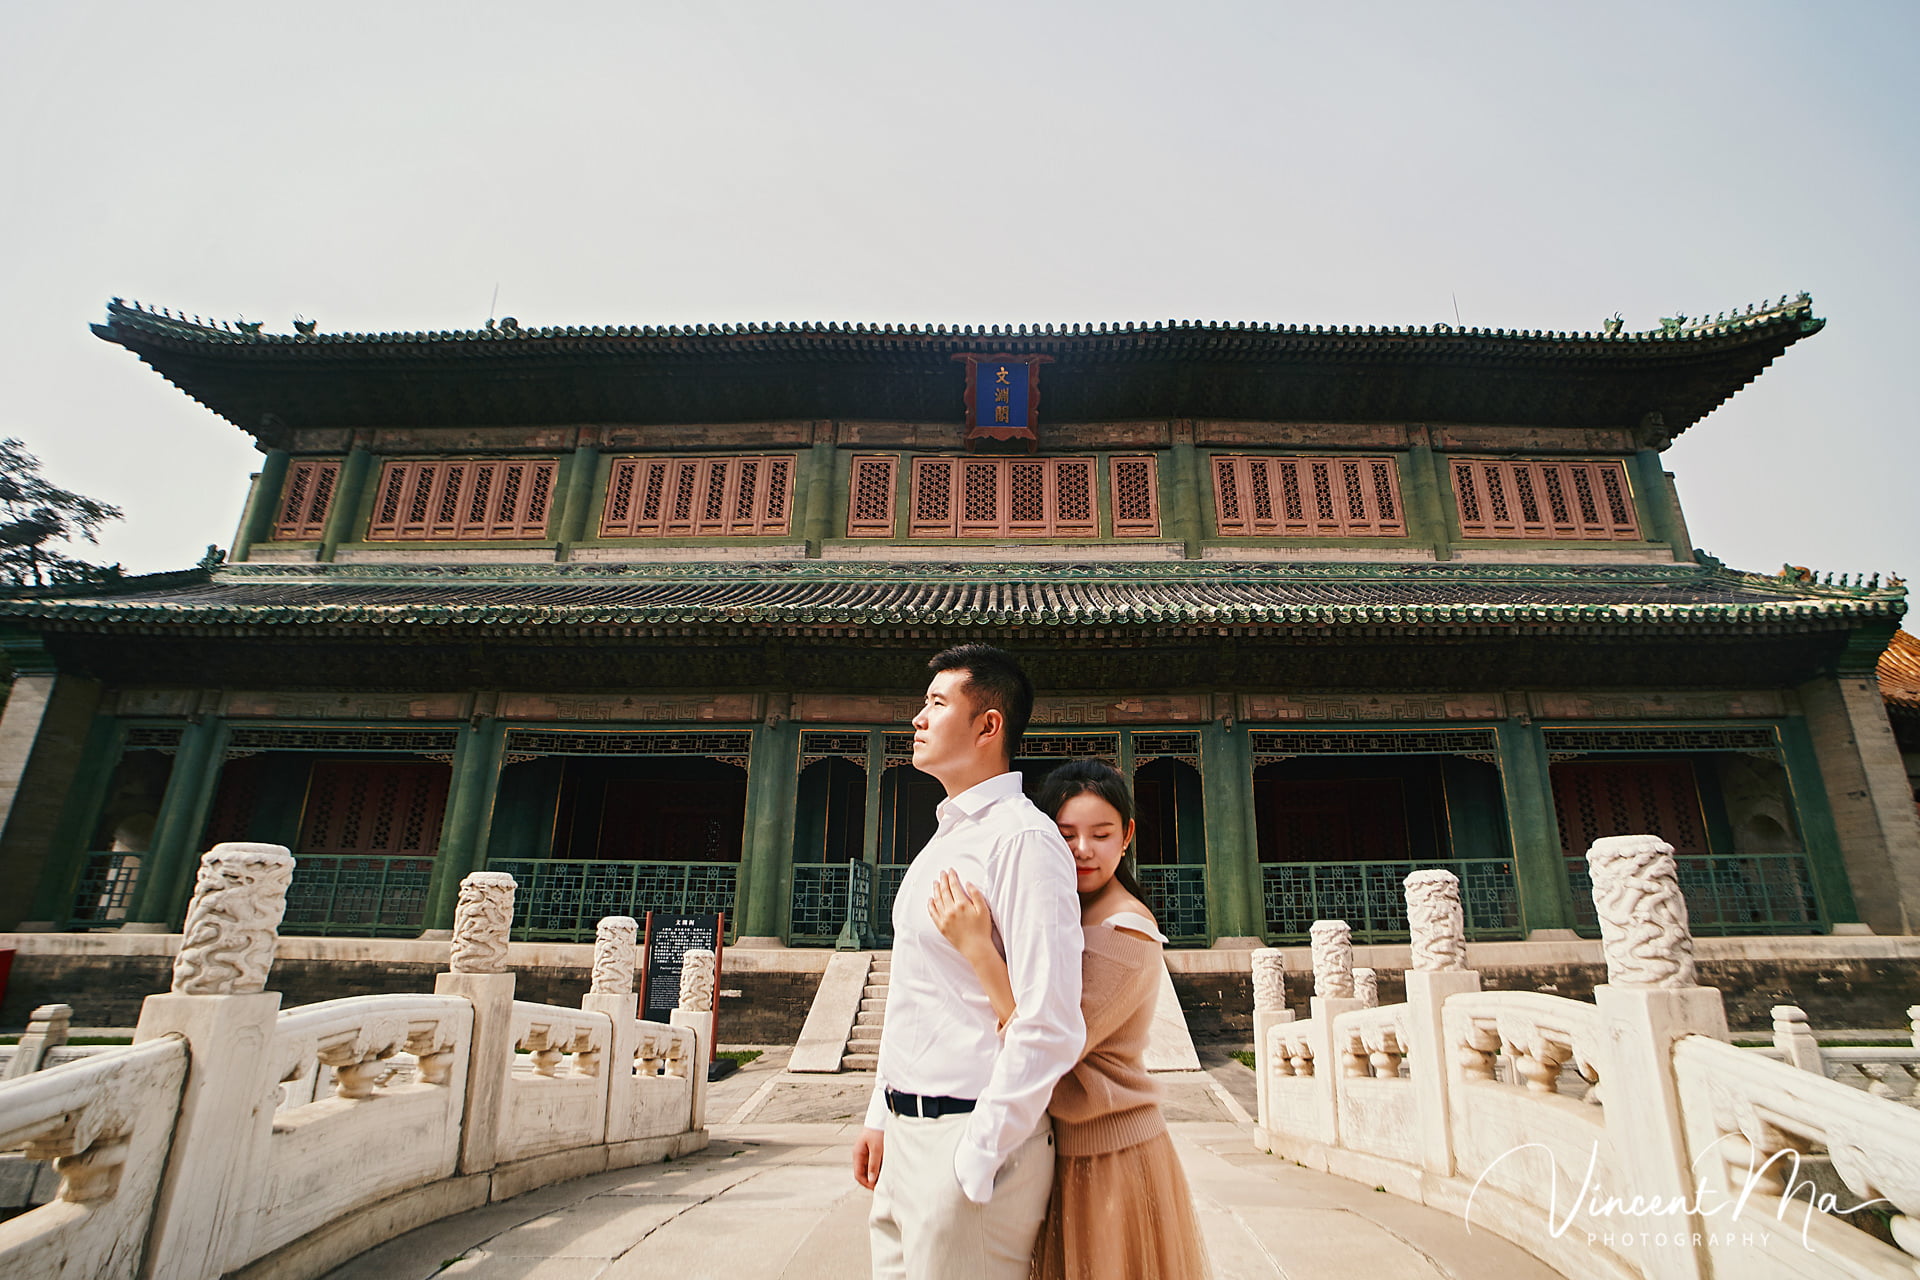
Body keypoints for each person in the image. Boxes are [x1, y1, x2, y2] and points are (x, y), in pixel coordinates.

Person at [928, 757, 1211, 1279]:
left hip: (1114, 1156)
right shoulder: (1071, 914)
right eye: (1066, 834)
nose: (1083, 850)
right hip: (1069, 1151)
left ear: (1126, 836)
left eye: (1100, 834)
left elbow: (1044, 1041)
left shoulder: (1125, 933)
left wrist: (978, 950)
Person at [853, 644, 1085, 1279]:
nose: (916, 720)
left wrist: (976, 1159)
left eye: (935, 703)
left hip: (968, 1140)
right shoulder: (948, 836)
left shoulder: (1023, 841)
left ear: (989, 725)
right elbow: (916, 994)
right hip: (906, 1139)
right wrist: (884, 1113)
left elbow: (1051, 1021)